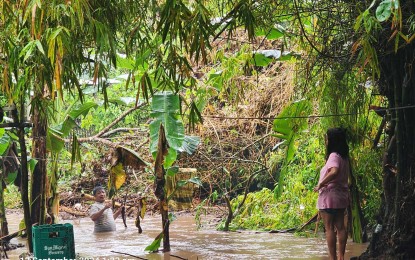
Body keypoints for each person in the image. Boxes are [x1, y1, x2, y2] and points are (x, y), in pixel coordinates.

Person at [314, 128, 350, 260]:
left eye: (328, 138)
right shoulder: (344, 157)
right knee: (341, 227)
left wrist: (320, 184)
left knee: (329, 228)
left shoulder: (334, 155)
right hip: (341, 197)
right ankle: (341, 257)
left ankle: (333, 258)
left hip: (329, 196)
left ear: (332, 141)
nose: (326, 141)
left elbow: (334, 171)